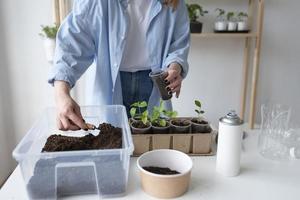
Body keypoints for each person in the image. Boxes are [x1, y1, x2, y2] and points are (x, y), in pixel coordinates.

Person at [48, 0, 190, 131]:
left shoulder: (174, 2)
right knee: (111, 142)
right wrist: (61, 94)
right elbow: (72, 44)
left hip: (154, 84)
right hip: (111, 86)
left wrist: (174, 66)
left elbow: (178, 45)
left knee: (154, 143)